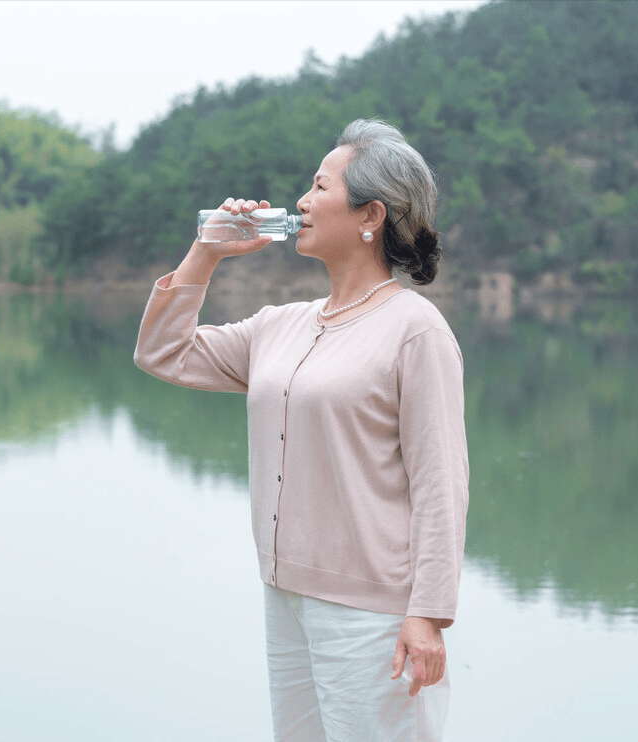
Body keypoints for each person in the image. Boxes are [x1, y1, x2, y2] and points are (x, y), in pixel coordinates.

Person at [133, 119, 468, 742]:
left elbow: (441, 485)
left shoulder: (414, 330)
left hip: (373, 610)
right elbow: (161, 353)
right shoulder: (278, 326)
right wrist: (205, 252)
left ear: (370, 215)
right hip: (285, 594)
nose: (302, 202)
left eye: (319, 187)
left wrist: (428, 615)